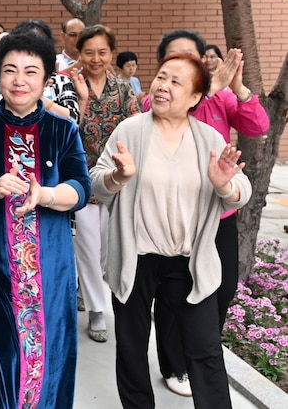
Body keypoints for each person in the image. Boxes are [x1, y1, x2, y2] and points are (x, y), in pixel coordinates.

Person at [90, 53, 251, 409]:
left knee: (205, 349)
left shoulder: (208, 137)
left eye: (176, 81)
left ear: (196, 97)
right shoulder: (130, 130)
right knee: (132, 347)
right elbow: (96, 183)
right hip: (138, 258)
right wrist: (118, 177)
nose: (163, 85)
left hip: (189, 261)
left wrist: (225, 186)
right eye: (161, 76)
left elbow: (241, 190)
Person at [0, 32, 90, 408]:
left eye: (30, 72)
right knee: (1, 359)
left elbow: (81, 189)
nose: (19, 80)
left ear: (46, 80)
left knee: (51, 360)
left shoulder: (62, 131)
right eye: (9, 70)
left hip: (51, 269)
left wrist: (46, 195)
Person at [147, 30, 269, 397]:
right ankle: (174, 365)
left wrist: (240, 88)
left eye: (190, 57)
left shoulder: (219, 98)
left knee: (223, 287)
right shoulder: (154, 102)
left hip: (218, 217)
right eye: (172, 58)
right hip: (175, 220)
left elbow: (259, 126)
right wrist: (210, 90)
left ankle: (200, 351)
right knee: (173, 295)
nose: (181, 64)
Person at [71, 24, 139, 343]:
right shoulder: (67, 85)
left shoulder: (124, 90)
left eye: (102, 52)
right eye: (89, 52)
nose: (95, 58)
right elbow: (62, 130)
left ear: (112, 53)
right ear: (79, 53)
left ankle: (88, 287)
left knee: (105, 246)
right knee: (86, 243)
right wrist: (82, 103)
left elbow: (137, 131)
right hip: (80, 178)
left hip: (114, 179)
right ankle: (98, 310)